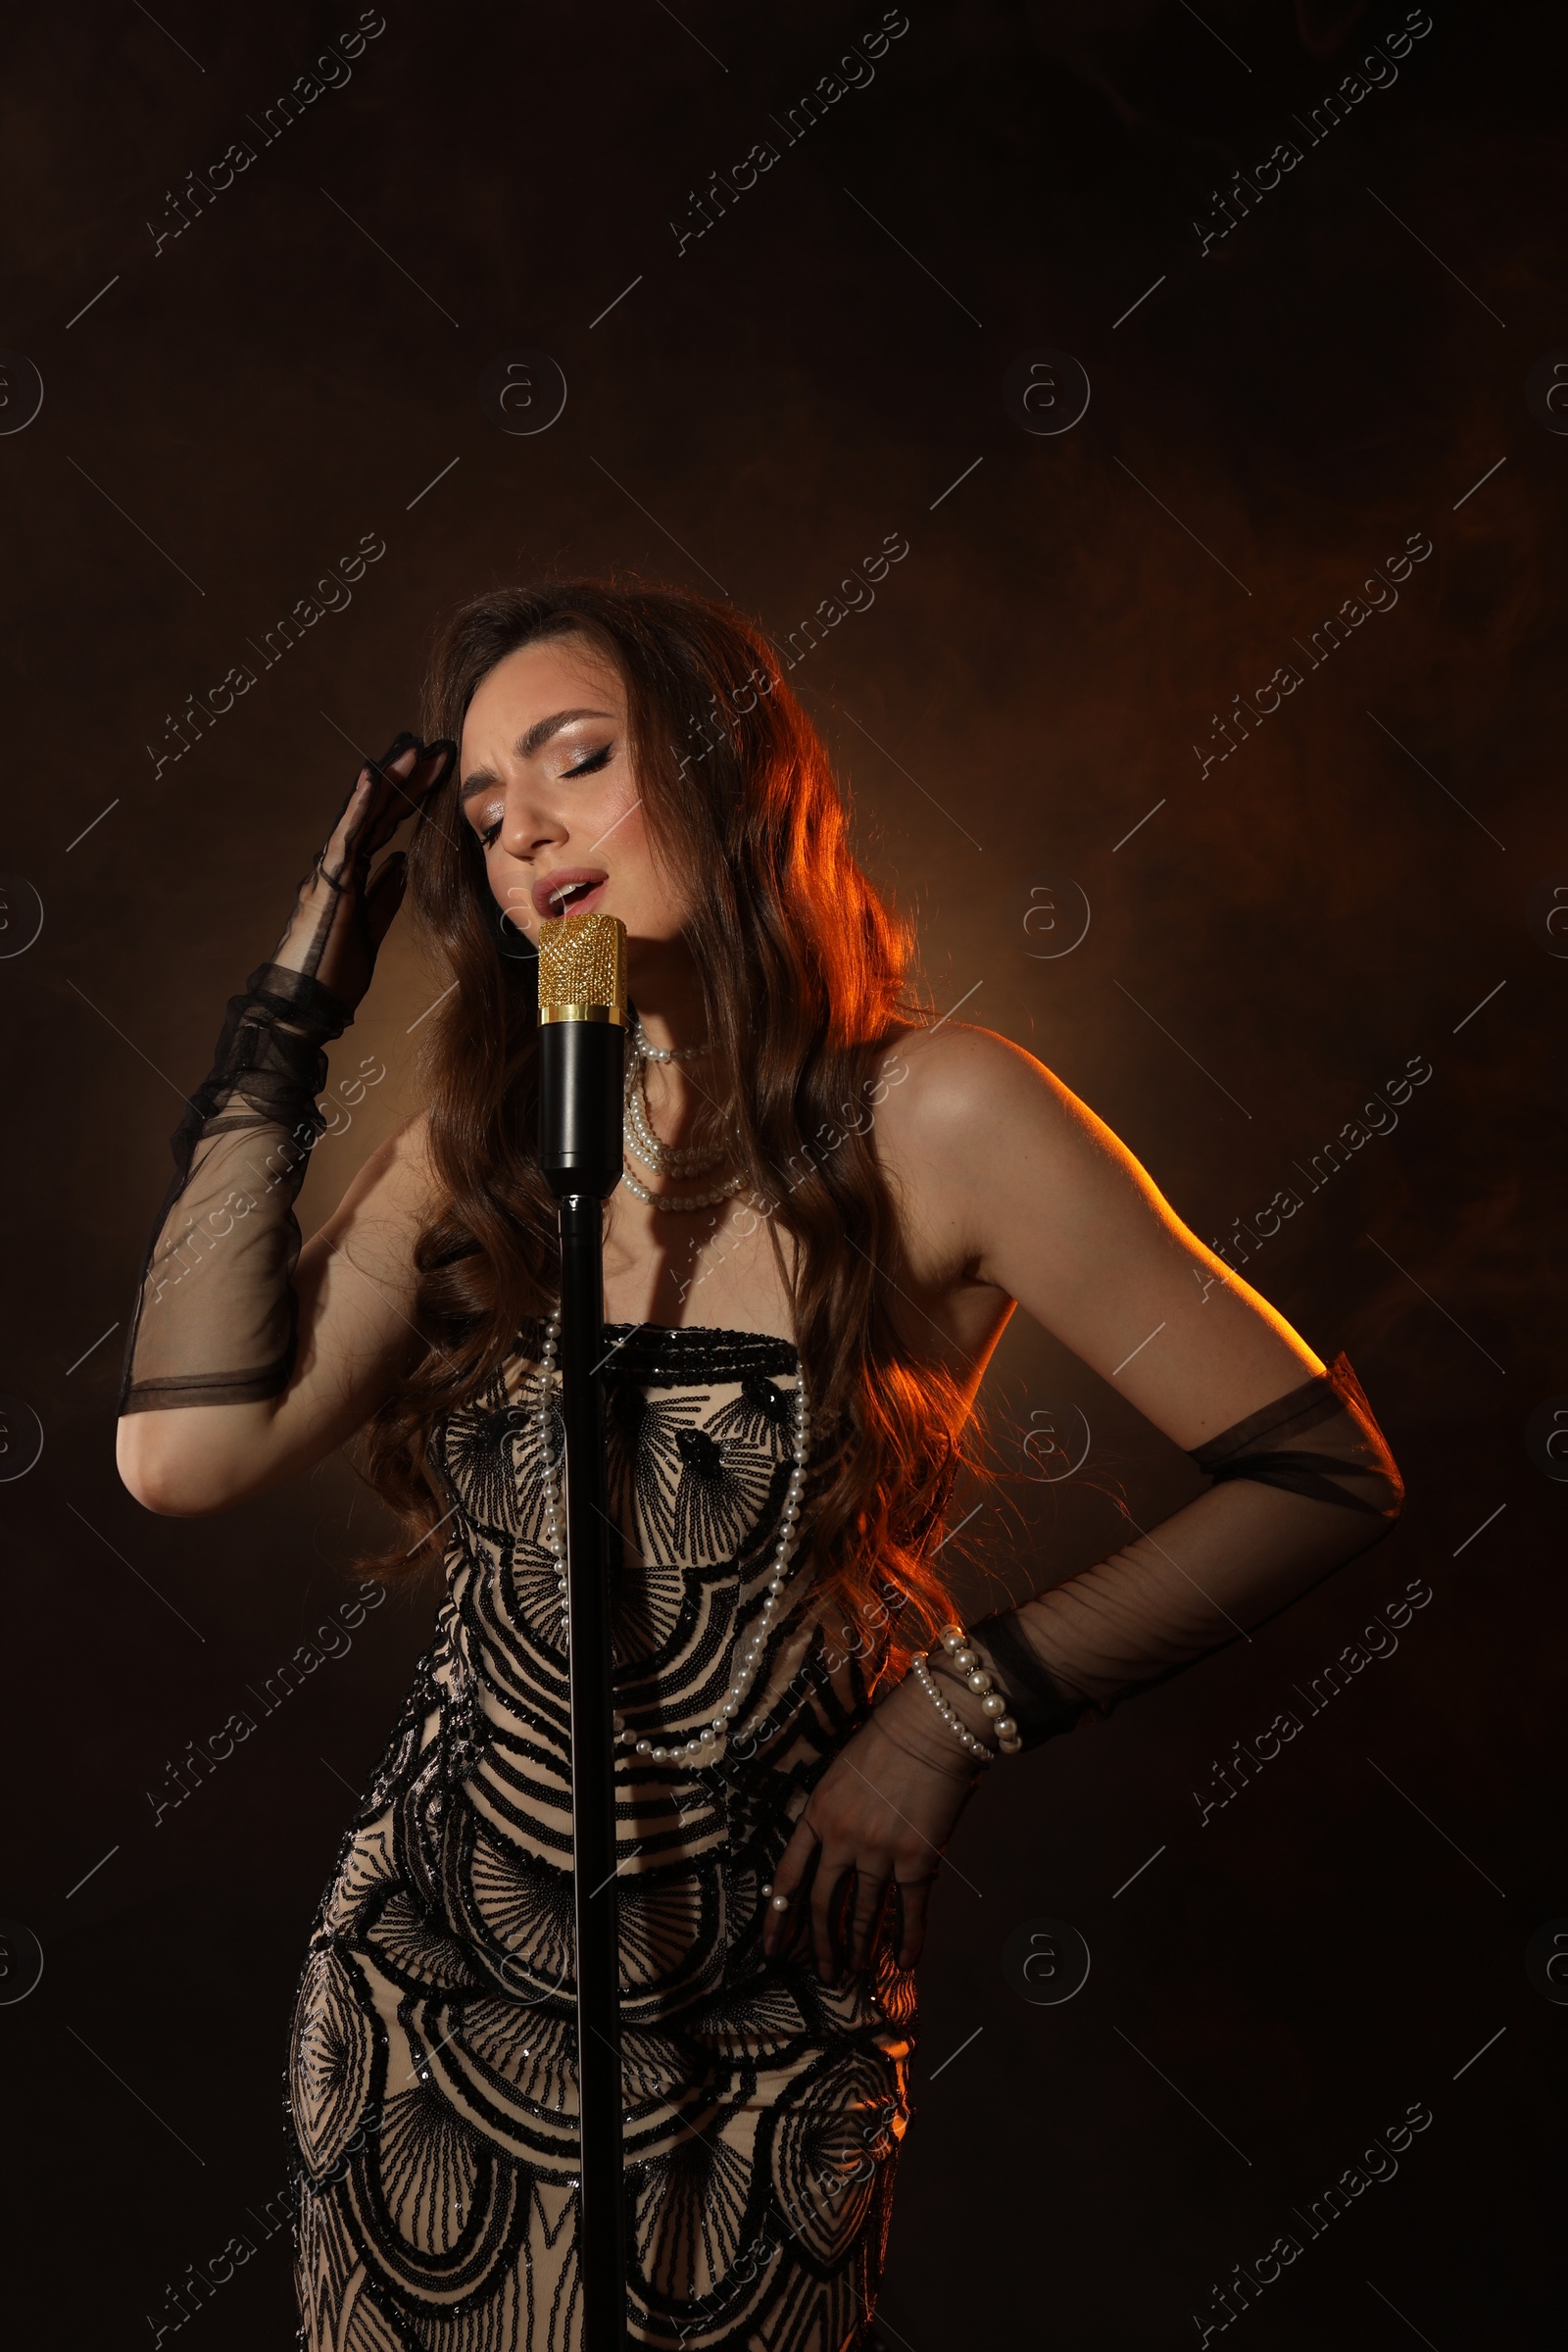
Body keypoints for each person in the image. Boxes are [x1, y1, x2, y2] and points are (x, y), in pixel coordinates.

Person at [115, 581, 1404, 2352]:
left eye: (575, 761)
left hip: (753, 2030)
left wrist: (951, 1714)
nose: (525, 834)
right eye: (483, 812)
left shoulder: (940, 1116)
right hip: (423, 2014)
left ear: (734, 778)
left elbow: (1326, 1473)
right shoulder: (486, 1144)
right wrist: (291, 1011)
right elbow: (181, 1456)